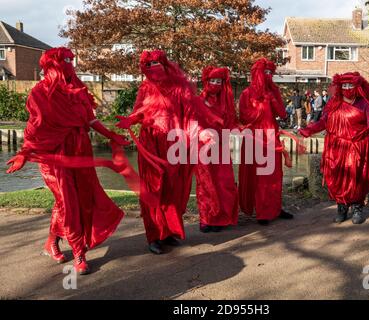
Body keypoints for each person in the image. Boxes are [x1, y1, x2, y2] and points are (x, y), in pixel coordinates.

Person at [6, 47, 132, 275]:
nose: (69, 65)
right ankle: (78, 253)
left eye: (71, 60)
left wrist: (112, 136)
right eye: (64, 61)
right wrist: (25, 153)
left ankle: (51, 242)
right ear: (51, 65)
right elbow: (35, 125)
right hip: (54, 154)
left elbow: (91, 120)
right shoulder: (39, 93)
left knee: (78, 199)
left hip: (80, 150)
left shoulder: (79, 91)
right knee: (68, 202)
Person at [116, 50, 214, 254]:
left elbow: (190, 116)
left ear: (165, 64)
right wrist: (130, 120)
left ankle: (168, 232)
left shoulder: (180, 88)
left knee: (173, 189)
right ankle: (154, 236)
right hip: (151, 144)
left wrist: (202, 134)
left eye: (157, 63)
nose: (153, 68)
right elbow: (139, 111)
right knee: (153, 190)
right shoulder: (145, 87)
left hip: (175, 144)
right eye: (149, 65)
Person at [298, 72, 369, 224]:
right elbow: (323, 122)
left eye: (350, 85)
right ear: (339, 86)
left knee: (357, 178)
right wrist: (307, 130)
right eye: (344, 85)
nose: (347, 88)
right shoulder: (333, 104)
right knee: (337, 178)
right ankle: (342, 206)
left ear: (357, 86)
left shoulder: (364, 104)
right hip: (336, 148)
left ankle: (357, 207)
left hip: (358, 148)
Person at [238, 58, 294, 226]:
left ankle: (275, 208)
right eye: (265, 72)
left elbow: (283, 114)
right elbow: (243, 116)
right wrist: (261, 107)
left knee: (275, 174)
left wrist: (272, 98)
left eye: (271, 72)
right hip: (255, 138)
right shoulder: (246, 94)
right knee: (260, 176)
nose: (268, 76)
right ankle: (262, 211)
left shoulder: (273, 92)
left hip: (271, 136)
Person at [195, 66, 239, 233]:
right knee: (206, 183)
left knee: (223, 182)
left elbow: (231, 123)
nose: (215, 84)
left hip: (221, 147)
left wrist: (238, 130)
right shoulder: (198, 101)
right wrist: (203, 134)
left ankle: (221, 218)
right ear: (206, 81)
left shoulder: (226, 103)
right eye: (212, 81)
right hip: (203, 147)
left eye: (218, 81)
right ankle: (206, 218)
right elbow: (193, 122)